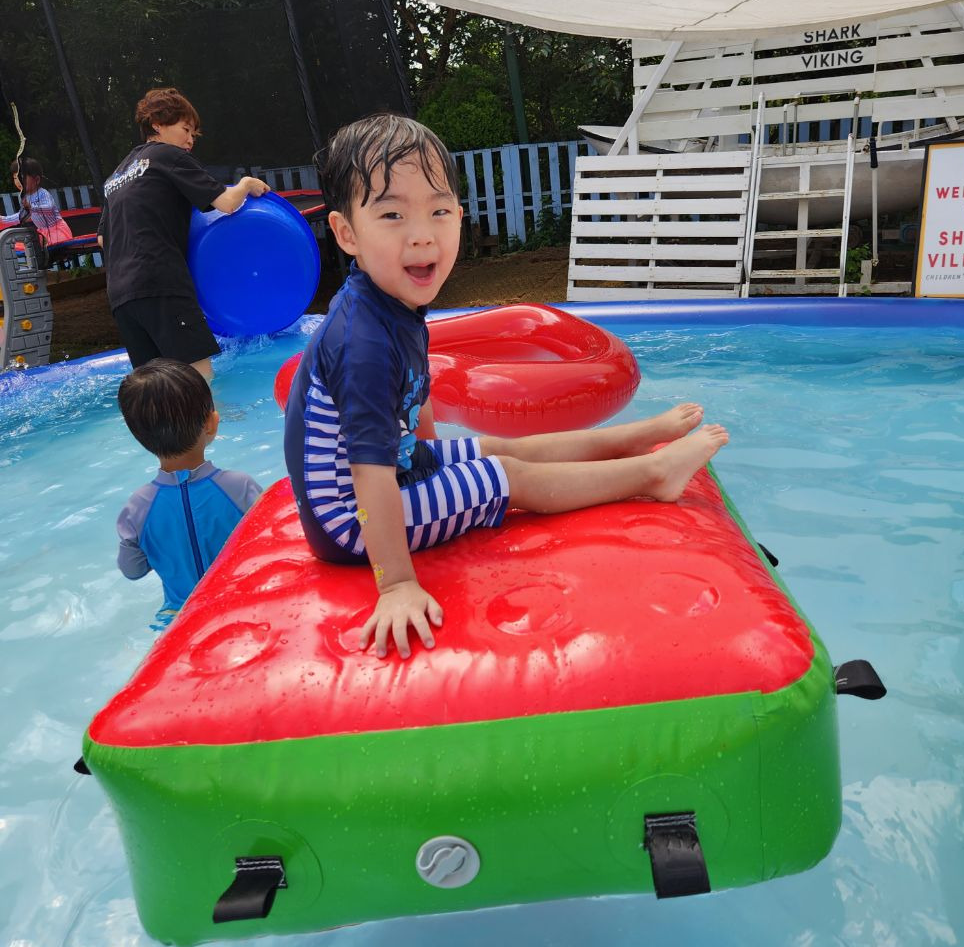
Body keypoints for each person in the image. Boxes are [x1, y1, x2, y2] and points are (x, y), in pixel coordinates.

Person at [284, 114, 729, 660]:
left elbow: (416, 395)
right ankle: (653, 474)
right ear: (347, 232)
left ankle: (629, 438)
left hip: (398, 469)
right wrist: (396, 583)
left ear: (459, 216)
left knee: (496, 446)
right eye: (392, 214)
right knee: (506, 475)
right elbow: (367, 471)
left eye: (438, 211)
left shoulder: (393, 302)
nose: (422, 234)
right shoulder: (362, 341)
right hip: (350, 519)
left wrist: (430, 458)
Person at [99, 87, 270, 380]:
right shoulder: (169, 155)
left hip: (121, 297)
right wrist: (245, 184)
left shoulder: (116, 176)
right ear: (157, 124)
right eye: (185, 129)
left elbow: (103, 240)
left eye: (193, 134)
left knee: (159, 388)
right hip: (161, 283)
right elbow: (227, 204)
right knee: (199, 383)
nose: (190, 139)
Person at [116, 357, 263, 628]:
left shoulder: (137, 508)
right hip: (244, 608)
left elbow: (132, 570)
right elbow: (270, 546)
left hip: (179, 622)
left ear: (139, 437)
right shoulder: (240, 488)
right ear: (211, 423)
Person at [2, 156, 73, 261]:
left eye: (22, 178)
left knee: (54, 251)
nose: (18, 182)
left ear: (37, 180)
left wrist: (32, 207)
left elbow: (48, 208)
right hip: (42, 233)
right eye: (15, 178)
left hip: (56, 230)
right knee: (36, 251)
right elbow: (22, 216)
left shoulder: (43, 193)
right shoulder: (25, 197)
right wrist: (4, 220)